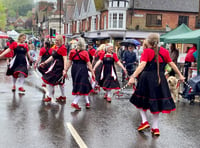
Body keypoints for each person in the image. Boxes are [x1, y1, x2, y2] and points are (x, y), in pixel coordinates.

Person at [128, 33, 185, 136]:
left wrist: (132, 77)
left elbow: (142, 65)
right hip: (160, 78)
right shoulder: (165, 51)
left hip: (146, 78)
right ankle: (155, 128)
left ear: (149, 42)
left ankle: (145, 121)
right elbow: (172, 64)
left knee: (139, 100)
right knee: (157, 103)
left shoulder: (147, 51)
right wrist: (180, 75)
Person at [65, 37, 95, 110]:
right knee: (82, 86)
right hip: (82, 69)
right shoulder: (85, 53)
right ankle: (75, 102)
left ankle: (87, 102)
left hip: (74, 69)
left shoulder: (72, 52)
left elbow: (69, 62)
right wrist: (93, 72)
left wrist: (65, 70)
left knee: (83, 85)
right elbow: (89, 64)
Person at [39, 35, 67, 103]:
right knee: (60, 82)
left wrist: (65, 70)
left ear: (60, 41)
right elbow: (52, 57)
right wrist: (45, 63)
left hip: (59, 67)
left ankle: (49, 97)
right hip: (55, 66)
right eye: (55, 40)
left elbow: (65, 59)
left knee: (51, 81)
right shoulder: (56, 47)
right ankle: (63, 96)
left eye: (57, 40)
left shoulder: (63, 48)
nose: (55, 41)